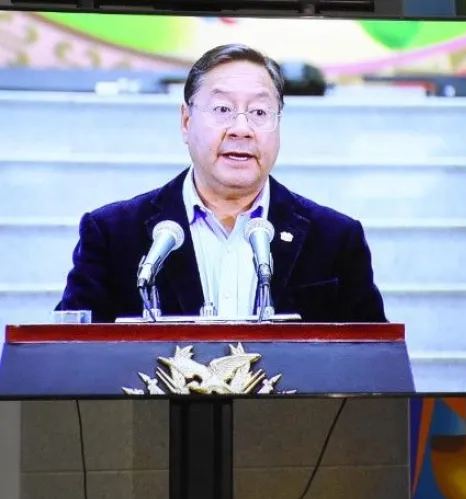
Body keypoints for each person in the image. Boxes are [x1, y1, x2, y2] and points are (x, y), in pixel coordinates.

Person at [56, 44, 386, 323]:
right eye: (223, 109)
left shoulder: (336, 239)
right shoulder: (113, 235)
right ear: (186, 122)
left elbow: (376, 368)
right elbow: (66, 361)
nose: (241, 129)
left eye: (259, 112)